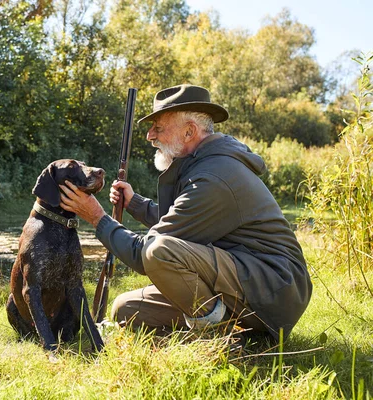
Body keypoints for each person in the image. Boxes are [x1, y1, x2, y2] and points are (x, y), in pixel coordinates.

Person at [59, 84, 312, 342]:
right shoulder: (204, 163)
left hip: (274, 291)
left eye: (158, 127)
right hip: (245, 279)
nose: (149, 136)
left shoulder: (214, 177)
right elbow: (184, 221)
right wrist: (134, 203)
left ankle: (216, 340)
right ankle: (230, 330)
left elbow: (146, 254)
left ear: (189, 131)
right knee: (126, 308)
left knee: (157, 251)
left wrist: (96, 217)